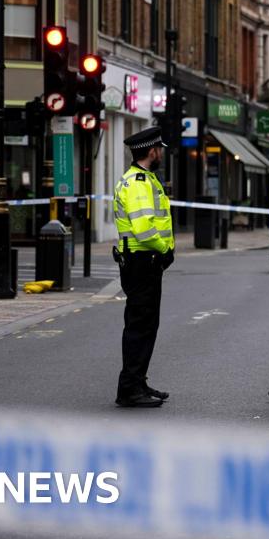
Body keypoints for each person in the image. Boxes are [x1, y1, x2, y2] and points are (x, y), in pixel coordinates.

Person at [112, 126, 175, 408]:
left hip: (143, 260)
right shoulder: (138, 183)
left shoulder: (144, 179)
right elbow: (143, 228)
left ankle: (138, 382)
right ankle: (129, 389)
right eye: (159, 149)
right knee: (140, 326)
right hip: (142, 260)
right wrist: (164, 250)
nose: (160, 153)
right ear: (152, 151)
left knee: (146, 325)